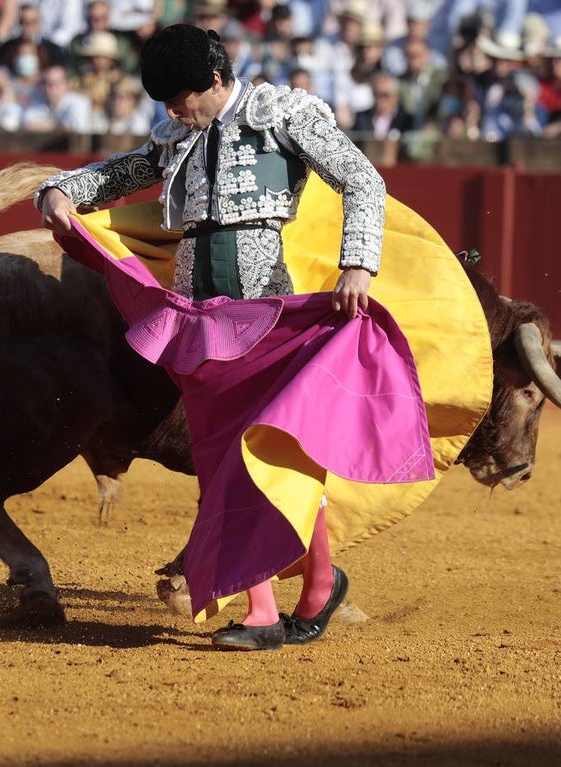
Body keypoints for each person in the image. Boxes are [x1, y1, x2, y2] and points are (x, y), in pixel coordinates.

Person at [36, 23, 387, 651]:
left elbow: (362, 180)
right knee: (233, 453)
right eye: (166, 103)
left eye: (182, 99)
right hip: (198, 317)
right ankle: (317, 584)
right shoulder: (178, 133)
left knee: (252, 453)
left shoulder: (281, 114)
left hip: (267, 313)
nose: (173, 112)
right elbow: (127, 170)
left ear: (218, 81)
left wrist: (357, 262)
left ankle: (261, 614)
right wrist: (64, 188)